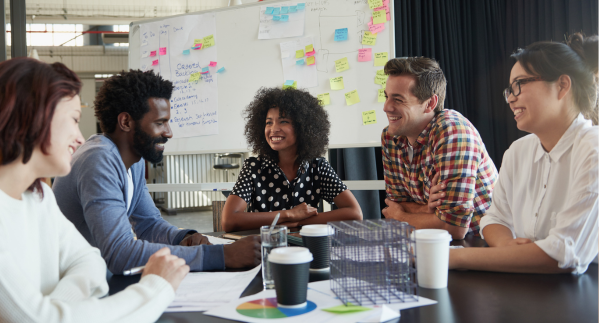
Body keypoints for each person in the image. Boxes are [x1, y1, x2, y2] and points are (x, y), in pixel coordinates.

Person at [0, 58, 189, 322]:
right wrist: (157, 288)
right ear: (32, 117)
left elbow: (90, 261)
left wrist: (56, 308)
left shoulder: (36, 196)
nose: (80, 138)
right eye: (73, 119)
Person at [53, 70, 260, 275]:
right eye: (160, 123)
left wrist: (184, 237)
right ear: (126, 122)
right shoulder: (99, 159)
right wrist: (222, 256)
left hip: (93, 277)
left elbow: (148, 224)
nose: (168, 132)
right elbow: (120, 254)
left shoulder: (133, 161)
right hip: (72, 286)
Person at [450, 34, 599, 274]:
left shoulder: (593, 149)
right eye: (509, 89)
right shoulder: (518, 152)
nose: (510, 98)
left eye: (519, 84)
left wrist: (454, 257)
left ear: (562, 85)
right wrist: (508, 246)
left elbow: (563, 254)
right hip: (529, 286)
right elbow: (494, 219)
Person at [380, 57, 498, 239]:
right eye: (386, 96)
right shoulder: (390, 136)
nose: (386, 107)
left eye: (398, 99)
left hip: (480, 244)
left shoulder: (453, 131)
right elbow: (393, 205)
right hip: (428, 242)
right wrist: (428, 209)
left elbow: (455, 228)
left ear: (430, 104)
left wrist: (402, 217)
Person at [221, 87, 363, 232]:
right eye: (269, 122)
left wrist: (298, 223)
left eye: (283, 121)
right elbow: (229, 221)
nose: (273, 129)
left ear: (304, 127)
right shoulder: (254, 167)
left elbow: (354, 213)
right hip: (265, 249)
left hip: (306, 250)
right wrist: (289, 214)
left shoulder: (317, 166)